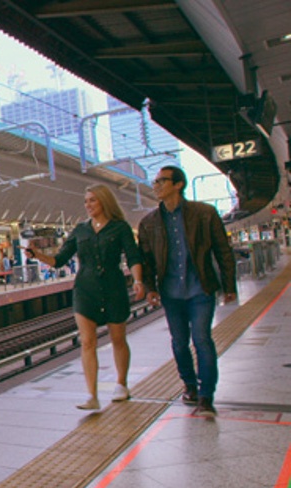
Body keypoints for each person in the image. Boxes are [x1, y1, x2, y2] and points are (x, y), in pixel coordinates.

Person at [29, 184, 145, 410]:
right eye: (86, 201)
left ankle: (121, 384)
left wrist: (138, 280)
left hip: (114, 287)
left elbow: (133, 256)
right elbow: (60, 260)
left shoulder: (120, 228)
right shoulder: (80, 230)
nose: (88, 205)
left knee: (118, 338)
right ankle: (92, 395)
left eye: (92, 200)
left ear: (104, 201)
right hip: (85, 289)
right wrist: (38, 255)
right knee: (87, 342)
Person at [137, 165, 237, 417]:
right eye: (155, 181)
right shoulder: (149, 222)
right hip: (170, 292)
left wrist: (229, 285)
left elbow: (222, 250)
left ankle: (206, 396)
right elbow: (146, 259)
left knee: (202, 339)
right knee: (179, 343)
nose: (156, 185)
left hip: (200, 288)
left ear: (178, 184)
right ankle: (190, 385)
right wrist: (149, 288)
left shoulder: (204, 213)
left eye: (161, 181)